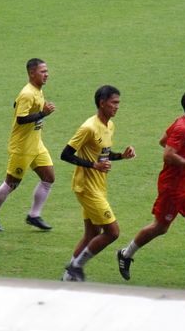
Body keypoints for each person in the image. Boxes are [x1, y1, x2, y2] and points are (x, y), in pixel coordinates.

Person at [116, 90, 185, 285]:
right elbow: (167, 154)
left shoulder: (182, 123)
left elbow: (163, 141)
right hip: (172, 186)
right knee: (160, 227)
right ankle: (125, 254)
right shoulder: (183, 128)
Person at [61, 85, 135, 282]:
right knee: (112, 232)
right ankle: (76, 266)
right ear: (102, 103)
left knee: (92, 233)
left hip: (99, 186)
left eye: (118, 103)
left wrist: (121, 156)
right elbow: (65, 154)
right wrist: (93, 165)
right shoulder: (88, 127)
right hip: (86, 187)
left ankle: (68, 276)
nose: (117, 107)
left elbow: (103, 154)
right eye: (114, 103)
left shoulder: (109, 126)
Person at [0, 58, 56, 232]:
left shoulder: (37, 91)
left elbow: (23, 108)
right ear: (32, 73)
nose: (46, 74)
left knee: (49, 178)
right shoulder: (27, 93)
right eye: (42, 71)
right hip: (22, 147)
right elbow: (21, 119)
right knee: (11, 184)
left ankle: (34, 215)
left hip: (36, 144)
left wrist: (40, 112)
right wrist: (42, 113)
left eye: (46, 71)